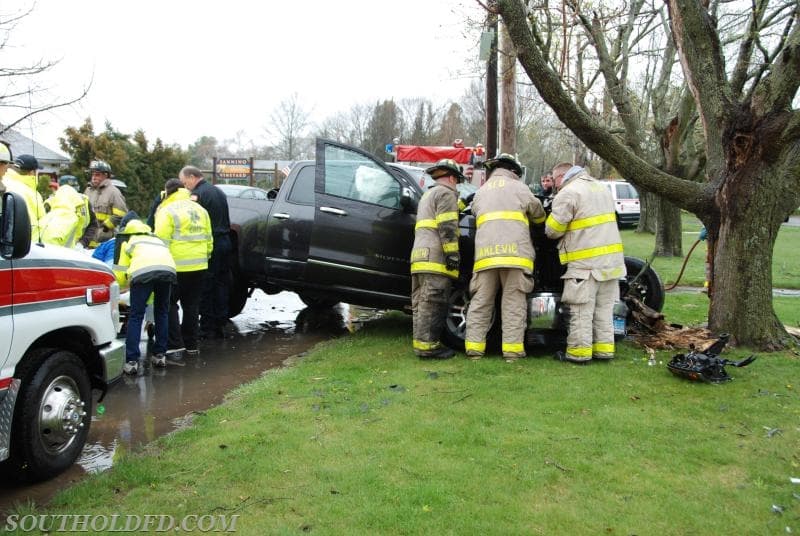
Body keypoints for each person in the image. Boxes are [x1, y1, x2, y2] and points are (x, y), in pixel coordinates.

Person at [464, 153, 546, 362]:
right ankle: (512, 352)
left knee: (481, 302)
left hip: (485, 258)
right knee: (513, 304)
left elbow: (474, 213)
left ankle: (474, 350)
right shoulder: (520, 188)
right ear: (514, 171)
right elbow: (538, 215)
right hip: (515, 257)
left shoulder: (480, 192)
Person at [545, 162, 626, 364]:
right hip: (611, 263)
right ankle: (604, 351)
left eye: (554, 180)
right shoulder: (601, 188)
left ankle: (578, 354)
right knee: (604, 311)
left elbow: (553, 230)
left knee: (581, 311)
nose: (555, 185)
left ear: (562, 176)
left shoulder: (568, 192)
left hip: (585, 265)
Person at [409, 158, 464, 359]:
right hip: (436, 258)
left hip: (419, 257)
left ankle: (421, 343)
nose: (457, 185)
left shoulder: (429, 194)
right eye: (457, 181)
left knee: (420, 303)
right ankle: (428, 347)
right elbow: (447, 226)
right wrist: (452, 254)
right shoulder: (446, 194)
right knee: (433, 302)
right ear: (451, 177)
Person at [154, 178, 213, 359]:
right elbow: (209, 240)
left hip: (175, 265)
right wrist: (205, 257)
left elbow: (160, 240)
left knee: (170, 305)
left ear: (168, 192)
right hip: (200, 265)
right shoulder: (201, 210)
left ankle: (174, 345)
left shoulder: (167, 210)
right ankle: (191, 344)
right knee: (192, 306)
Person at [113, 216, 176, 375]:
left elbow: (120, 274)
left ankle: (132, 361)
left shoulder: (129, 242)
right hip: (167, 272)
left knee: (136, 315)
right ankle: (160, 355)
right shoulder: (156, 240)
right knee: (162, 312)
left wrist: (120, 288)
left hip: (143, 274)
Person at [178, 165, 232, 339]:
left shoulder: (197, 195)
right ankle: (221, 322)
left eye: (185, 182)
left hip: (212, 244)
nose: (185, 186)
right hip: (225, 241)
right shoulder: (218, 191)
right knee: (222, 284)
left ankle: (207, 327)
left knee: (206, 286)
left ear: (193, 177)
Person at [84, 159, 128, 248]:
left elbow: (122, 214)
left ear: (106, 175)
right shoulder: (88, 191)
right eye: (92, 174)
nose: (94, 177)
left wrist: (105, 227)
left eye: (97, 175)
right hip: (87, 240)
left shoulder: (113, 192)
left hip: (104, 242)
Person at [40, 175, 92, 249]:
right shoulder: (50, 201)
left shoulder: (84, 201)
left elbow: (92, 225)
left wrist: (82, 243)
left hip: (74, 247)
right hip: (52, 246)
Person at [3, 154, 46, 240]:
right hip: (22, 243)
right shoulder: (32, 194)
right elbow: (36, 224)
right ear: (32, 172)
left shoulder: (3, 182)